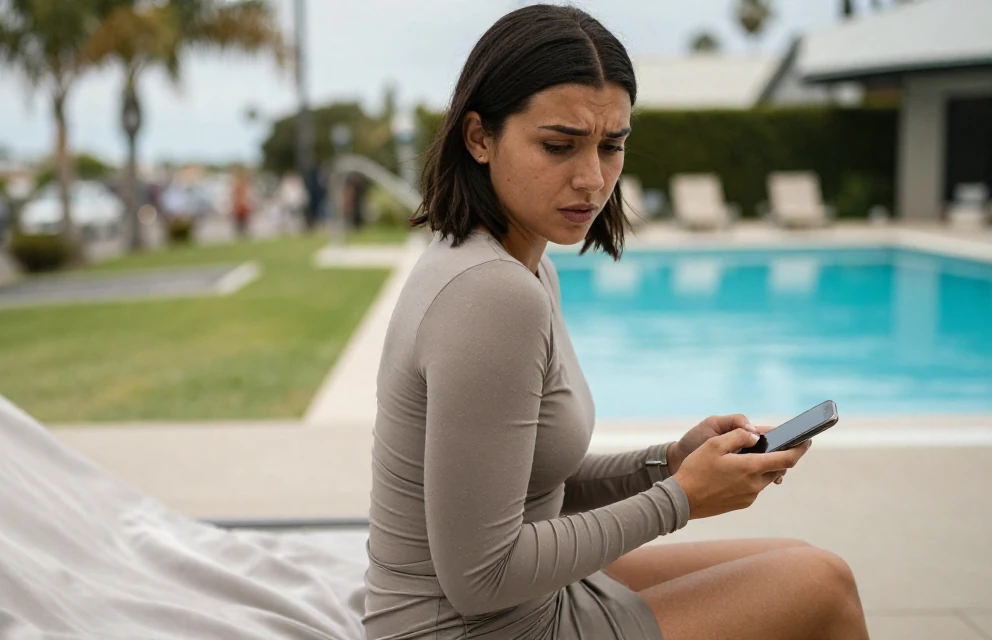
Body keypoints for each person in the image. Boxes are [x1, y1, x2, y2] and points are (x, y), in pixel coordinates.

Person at [363, 6, 869, 640]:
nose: (592, 178)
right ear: (478, 137)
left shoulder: (509, 266)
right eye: (559, 145)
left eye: (612, 145)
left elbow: (523, 482)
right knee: (822, 585)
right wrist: (682, 500)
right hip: (471, 628)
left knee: (796, 559)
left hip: (515, 605)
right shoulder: (493, 295)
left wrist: (668, 462)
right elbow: (480, 576)